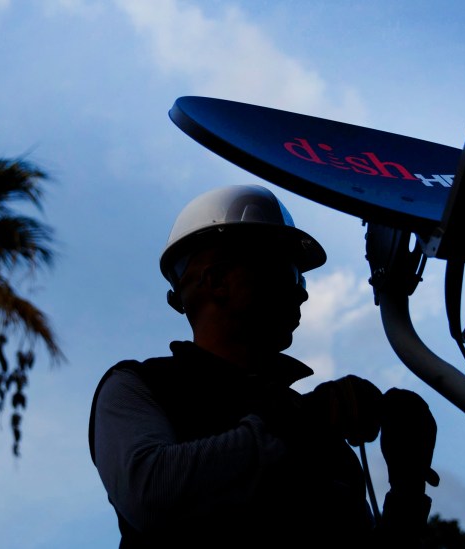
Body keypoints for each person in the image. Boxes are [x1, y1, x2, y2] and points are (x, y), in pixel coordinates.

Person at [88, 184, 439, 548]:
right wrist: (308, 418)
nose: (302, 291)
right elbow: (151, 496)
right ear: (217, 281)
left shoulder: (323, 438)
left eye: (302, 277)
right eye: (287, 270)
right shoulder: (140, 387)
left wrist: (407, 489)